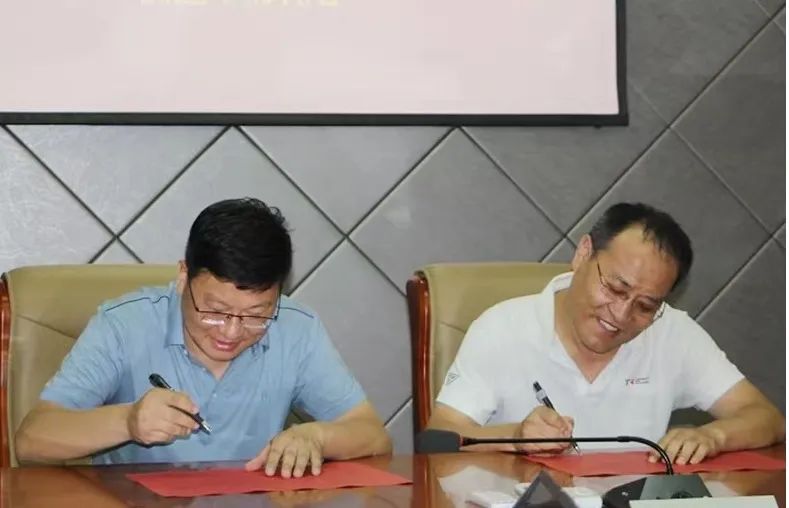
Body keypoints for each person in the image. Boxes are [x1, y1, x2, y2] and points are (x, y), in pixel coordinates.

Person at [15, 198, 391, 476]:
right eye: (214, 310)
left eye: (256, 315)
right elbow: (32, 440)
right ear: (183, 277)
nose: (231, 331)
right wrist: (127, 421)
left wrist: (318, 438)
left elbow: (373, 435)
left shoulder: (297, 328)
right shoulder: (124, 325)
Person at [428, 202, 784, 465]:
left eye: (645, 305)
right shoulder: (503, 327)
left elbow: (766, 418)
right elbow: (437, 437)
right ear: (583, 254)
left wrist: (713, 435)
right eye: (615, 288)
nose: (621, 314)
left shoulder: (673, 333)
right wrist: (515, 437)